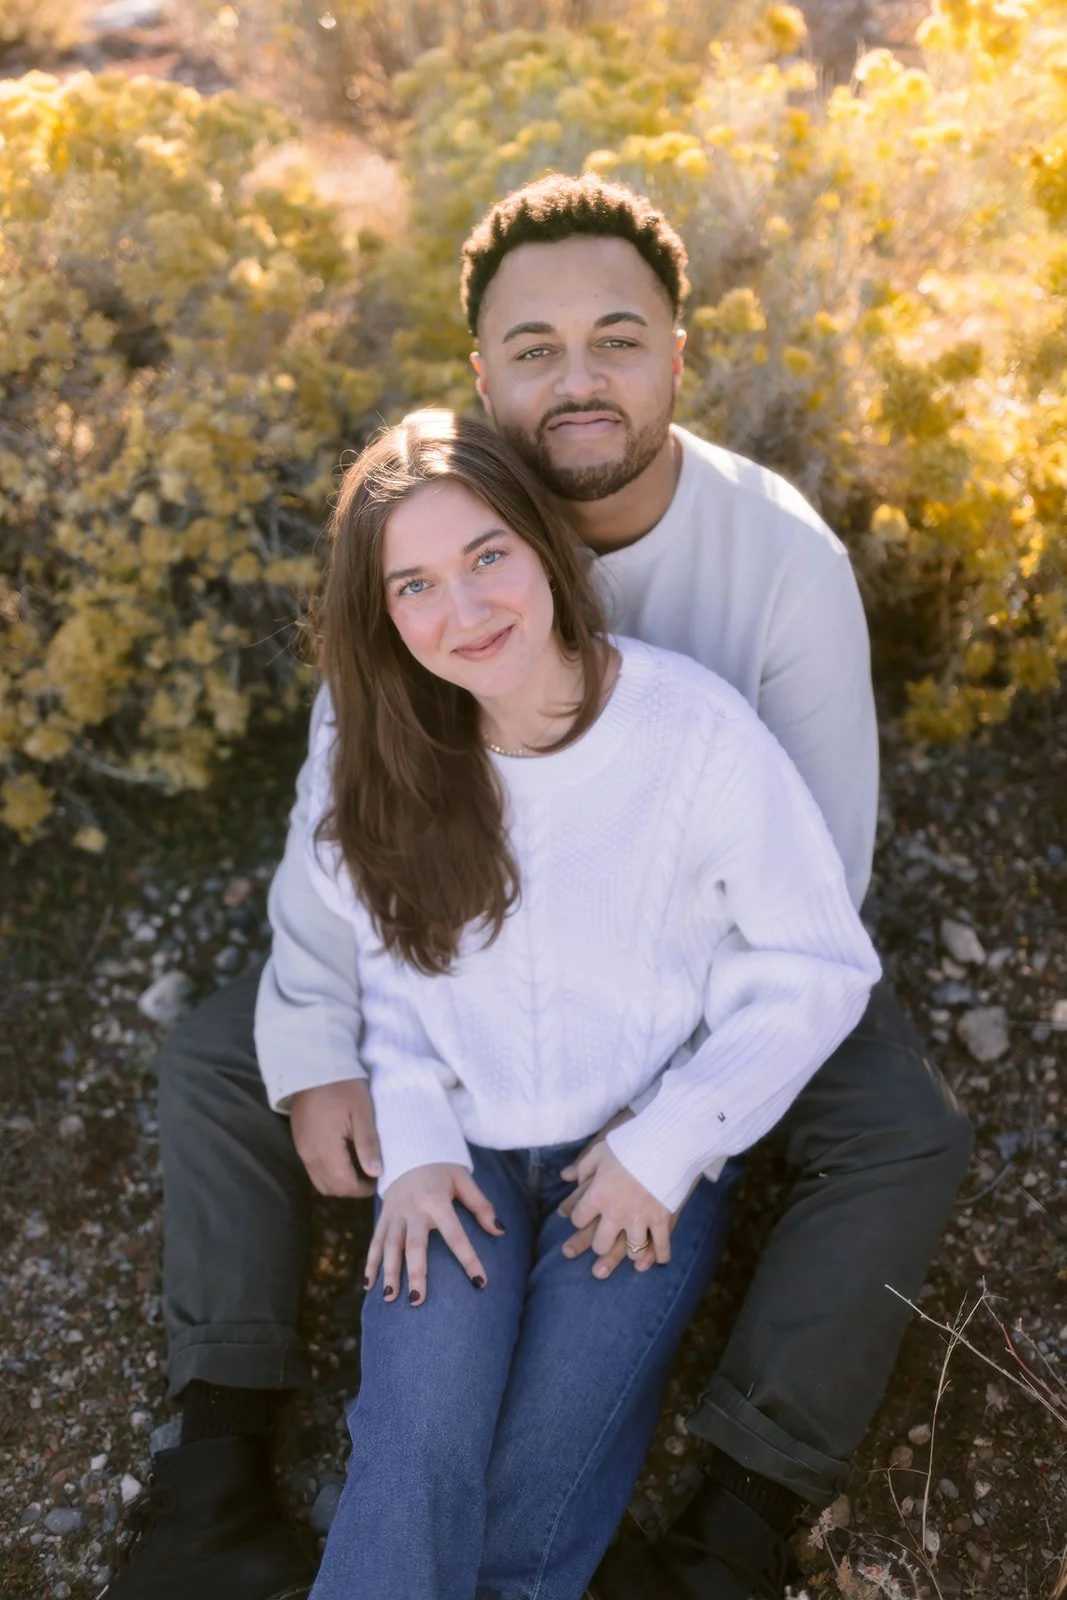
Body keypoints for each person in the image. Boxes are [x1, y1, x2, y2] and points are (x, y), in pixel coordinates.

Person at [109, 174, 972, 1600]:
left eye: (616, 340)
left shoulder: (774, 568)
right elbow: (351, 840)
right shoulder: (424, 539)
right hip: (465, 996)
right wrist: (343, 1063)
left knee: (902, 1135)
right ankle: (210, 1467)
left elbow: (815, 886)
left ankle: (737, 1518)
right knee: (227, 1058)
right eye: (532, 348)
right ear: (482, 372)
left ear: (676, 355)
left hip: (697, 969)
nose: (576, 381)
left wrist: (667, 1120)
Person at [298, 406, 881, 1600]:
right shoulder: (392, 757)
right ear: (380, 615)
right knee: (413, 1455)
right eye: (412, 585)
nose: (461, 614)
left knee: (530, 1506)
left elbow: (819, 964)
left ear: (544, 546)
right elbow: (391, 970)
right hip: (457, 1160)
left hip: (629, 1165)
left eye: (486, 558)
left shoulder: (692, 736)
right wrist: (409, 1147)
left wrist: (669, 1143)